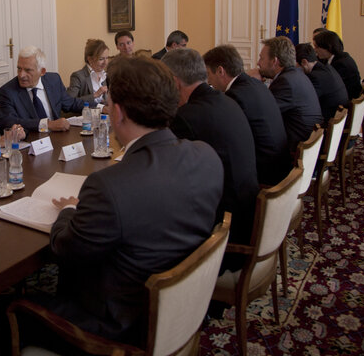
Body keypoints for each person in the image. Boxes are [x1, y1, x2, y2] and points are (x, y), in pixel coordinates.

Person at [42, 56, 223, 346]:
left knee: (9, 312)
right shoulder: (206, 156)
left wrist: (69, 210)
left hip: (118, 327)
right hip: (181, 310)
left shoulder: (108, 187)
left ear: (117, 112)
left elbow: (64, 249)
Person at [162, 48, 259, 260]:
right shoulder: (226, 100)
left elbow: (168, 178)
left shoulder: (187, 117)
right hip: (247, 217)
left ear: (174, 82)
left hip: (223, 236)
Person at [203, 44, 291, 186]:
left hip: (266, 172)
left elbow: (231, 142)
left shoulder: (235, 96)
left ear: (220, 71)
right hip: (280, 163)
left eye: (208, 74)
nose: (208, 81)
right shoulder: (255, 84)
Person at [0, 46, 89, 133]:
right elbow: (9, 122)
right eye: (19, 69)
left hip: (57, 137)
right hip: (31, 141)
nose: (21, 75)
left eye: (28, 70)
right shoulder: (7, 91)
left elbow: (70, 103)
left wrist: (100, 107)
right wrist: (48, 124)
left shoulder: (54, 80)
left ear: (42, 71)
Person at [258, 37, 323, 152]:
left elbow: (262, 115)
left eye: (261, 58)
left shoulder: (285, 82)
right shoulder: (296, 75)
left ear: (274, 61)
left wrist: (253, 84)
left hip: (295, 150)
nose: (258, 63)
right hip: (307, 144)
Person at [295, 43, 349, 122]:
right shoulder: (325, 66)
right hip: (337, 115)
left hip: (329, 120)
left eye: (295, 65)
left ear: (304, 62)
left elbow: (305, 103)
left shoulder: (315, 76)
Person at [312, 30, 362, 99]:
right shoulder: (341, 57)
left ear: (328, 47)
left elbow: (328, 87)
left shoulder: (341, 64)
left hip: (344, 103)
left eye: (317, 47)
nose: (315, 50)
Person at [66, 38, 109, 104]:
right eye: (101, 59)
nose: (105, 62)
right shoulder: (78, 76)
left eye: (107, 58)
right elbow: (69, 102)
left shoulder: (107, 75)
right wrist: (95, 95)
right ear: (90, 59)